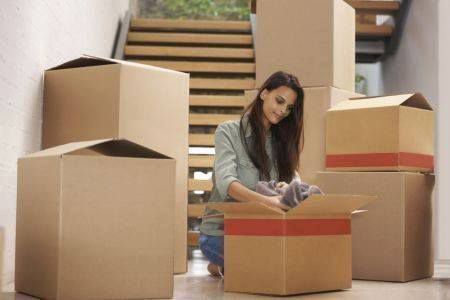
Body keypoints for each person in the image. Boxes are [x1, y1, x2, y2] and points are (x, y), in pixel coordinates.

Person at [198, 71, 305, 276]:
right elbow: (226, 183)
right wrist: (269, 202)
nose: (283, 111)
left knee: (298, 258)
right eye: (279, 101)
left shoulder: (281, 142)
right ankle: (220, 262)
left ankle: (224, 265)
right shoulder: (228, 131)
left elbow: (296, 181)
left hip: (265, 229)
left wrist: (290, 188)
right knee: (271, 265)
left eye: (289, 108)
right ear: (264, 94)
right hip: (222, 232)